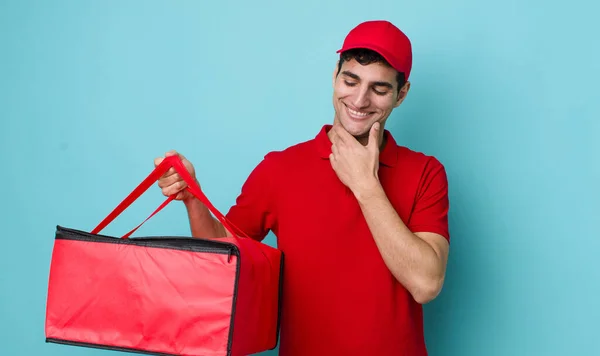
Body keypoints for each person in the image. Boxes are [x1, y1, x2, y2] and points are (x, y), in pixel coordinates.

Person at [155, 20, 450, 356]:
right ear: (334, 76)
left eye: (379, 89)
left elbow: (426, 283)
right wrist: (193, 200)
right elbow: (222, 262)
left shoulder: (425, 172)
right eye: (350, 81)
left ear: (402, 94)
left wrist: (365, 185)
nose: (359, 99)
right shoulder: (279, 169)